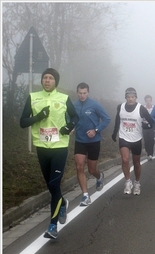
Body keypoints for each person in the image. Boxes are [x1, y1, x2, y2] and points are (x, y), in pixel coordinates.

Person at [20, 68, 79, 239]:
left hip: (59, 146)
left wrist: (69, 127)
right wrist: (38, 117)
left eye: (51, 78)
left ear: (56, 82)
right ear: (42, 81)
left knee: (54, 185)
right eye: (45, 78)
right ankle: (62, 203)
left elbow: (75, 117)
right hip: (42, 147)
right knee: (51, 186)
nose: (47, 80)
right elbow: (23, 122)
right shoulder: (33, 97)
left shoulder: (64, 98)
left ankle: (52, 227)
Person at [111, 87, 155, 195]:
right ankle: (127, 181)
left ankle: (137, 182)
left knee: (136, 163)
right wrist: (114, 132)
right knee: (125, 160)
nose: (130, 99)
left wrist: (145, 126)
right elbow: (118, 120)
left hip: (136, 138)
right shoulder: (120, 107)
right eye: (128, 97)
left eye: (132, 97)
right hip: (124, 137)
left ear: (136, 97)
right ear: (126, 97)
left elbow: (151, 122)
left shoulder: (141, 108)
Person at [73, 82, 111, 206]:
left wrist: (96, 130)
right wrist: (70, 127)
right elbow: (69, 119)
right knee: (79, 167)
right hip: (80, 140)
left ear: (88, 93)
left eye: (84, 93)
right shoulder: (73, 105)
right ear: (77, 92)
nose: (82, 95)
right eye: (80, 93)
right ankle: (85, 195)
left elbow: (107, 119)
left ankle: (99, 177)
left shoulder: (95, 105)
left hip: (93, 141)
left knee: (91, 169)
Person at [142, 95, 155, 160]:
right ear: (145, 101)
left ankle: (151, 153)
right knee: (146, 140)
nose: (148, 102)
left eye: (149, 100)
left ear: (151, 101)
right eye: (147, 101)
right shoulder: (143, 108)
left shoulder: (154, 107)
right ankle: (148, 152)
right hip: (145, 125)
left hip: (152, 125)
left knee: (151, 139)